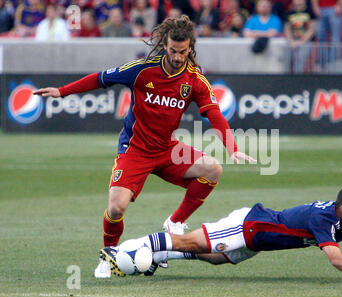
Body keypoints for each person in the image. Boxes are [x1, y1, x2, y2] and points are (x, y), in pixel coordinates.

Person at [33, 14, 255, 278]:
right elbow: (101, 78)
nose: (177, 56)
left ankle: (175, 222)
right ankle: (109, 255)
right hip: (135, 149)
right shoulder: (142, 69)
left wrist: (231, 146)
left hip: (166, 149)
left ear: (190, 49)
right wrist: (62, 91)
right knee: (116, 208)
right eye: (173, 50)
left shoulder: (194, 80)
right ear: (165, 45)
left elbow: (215, 115)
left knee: (212, 170)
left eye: (182, 52)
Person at [101, 184, 342, 285]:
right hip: (250, 226)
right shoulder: (325, 219)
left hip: (258, 240)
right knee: (190, 241)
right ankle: (129, 250)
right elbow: (336, 258)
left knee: (217, 259)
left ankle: (157, 257)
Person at [284, 0, 317, 73]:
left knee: (300, 59)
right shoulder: (289, 13)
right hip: (292, 41)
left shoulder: (310, 13)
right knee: (287, 58)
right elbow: (287, 29)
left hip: (306, 41)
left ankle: (298, 79)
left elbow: (312, 29)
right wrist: (291, 41)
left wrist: (301, 42)